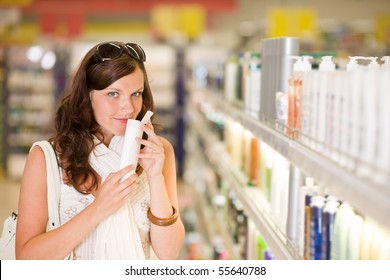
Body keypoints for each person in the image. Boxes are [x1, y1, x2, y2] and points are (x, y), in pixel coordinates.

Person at [15, 41, 185, 259]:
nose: (129, 107)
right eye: (113, 94)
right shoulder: (47, 158)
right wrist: (97, 210)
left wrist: (155, 177)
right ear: (87, 96)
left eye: (136, 93)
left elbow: (169, 253)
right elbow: (26, 258)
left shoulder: (158, 152)